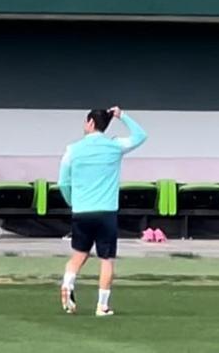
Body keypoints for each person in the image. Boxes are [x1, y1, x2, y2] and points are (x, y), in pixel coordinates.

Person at [58, 106, 147, 317]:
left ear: (90, 123)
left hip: (81, 211)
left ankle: (67, 285)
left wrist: (73, 202)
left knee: (79, 254)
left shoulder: (72, 150)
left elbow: (63, 183)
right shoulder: (115, 146)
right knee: (106, 259)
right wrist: (122, 115)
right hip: (106, 212)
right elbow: (141, 136)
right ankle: (102, 305)